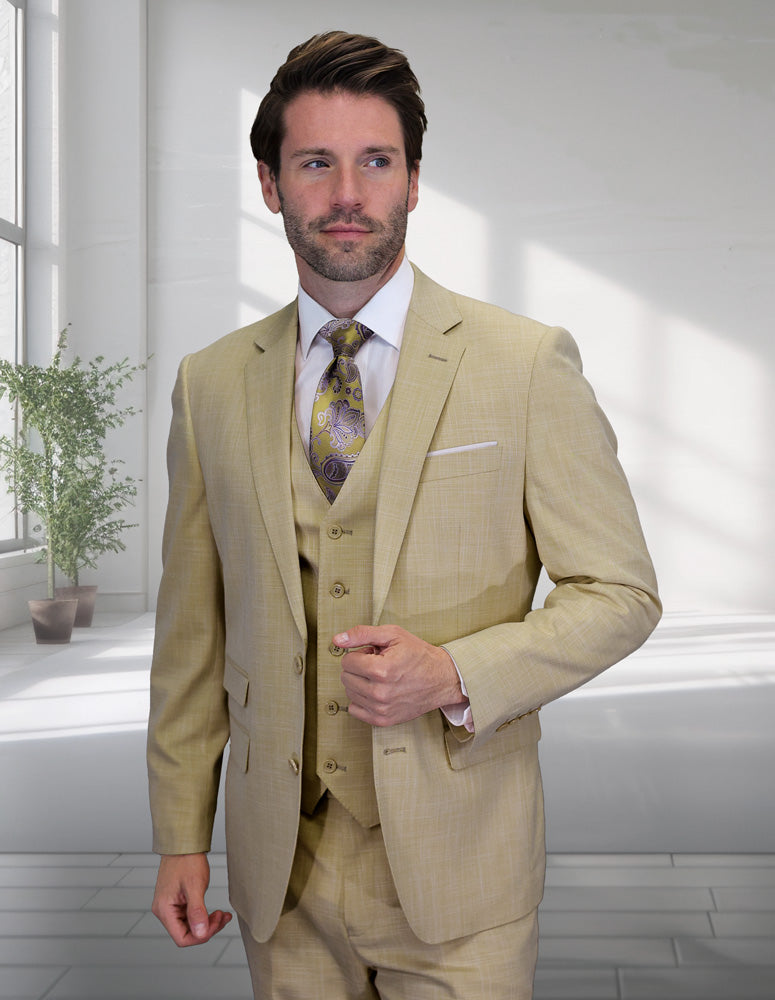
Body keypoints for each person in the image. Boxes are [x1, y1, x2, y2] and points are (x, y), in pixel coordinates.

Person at [148, 30, 661, 1000]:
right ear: (269, 184)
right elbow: (190, 638)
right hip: (281, 878)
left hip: (459, 872)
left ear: (414, 181)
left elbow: (621, 592)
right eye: (315, 163)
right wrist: (180, 832)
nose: (348, 193)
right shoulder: (208, 384)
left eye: (376, 161)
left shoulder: (522, 362)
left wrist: (458, 670)